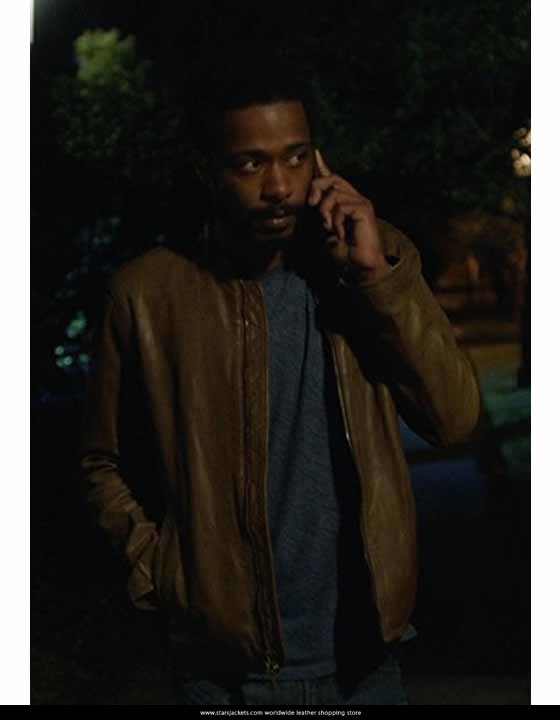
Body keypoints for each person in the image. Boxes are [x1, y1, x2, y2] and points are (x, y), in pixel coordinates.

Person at [79, 52, 480, 706]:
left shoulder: (369, 260)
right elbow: (102, 461)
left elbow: (454, 419)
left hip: (364, 662)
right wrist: (162, 573)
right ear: (207, 169)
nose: (279, 187)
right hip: (225, 675)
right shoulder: (147, 294)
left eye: (296, 158)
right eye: (250, 164)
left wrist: (376, 278)